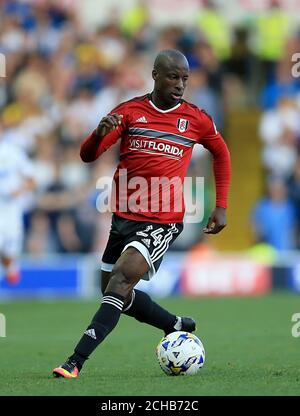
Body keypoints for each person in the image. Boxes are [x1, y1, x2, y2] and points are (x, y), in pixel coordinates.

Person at [52, 49, 231, 378]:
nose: (180, 85)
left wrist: (220, 205)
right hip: (124, 215)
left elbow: (221, 152)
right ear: (156, 75)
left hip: (163, 219)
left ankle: (75, 361)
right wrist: (98, 134)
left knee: (121, 279)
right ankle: (175, 324)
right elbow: (88, 155)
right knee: (113, 290)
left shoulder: (196, 118)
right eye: (173, 77)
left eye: (185, 79)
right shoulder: (129, 112)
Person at [0, 137, 36, 285]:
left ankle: (10, 269)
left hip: (10, 212)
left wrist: (18, 191)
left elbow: (32, 179)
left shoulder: (13, 152)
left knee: (10, 253)